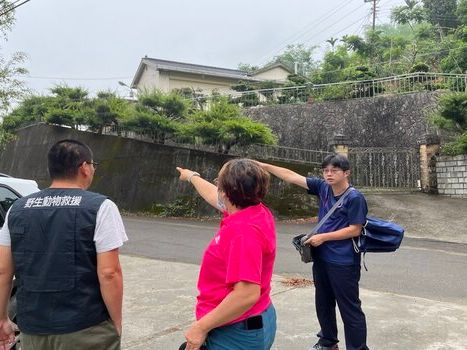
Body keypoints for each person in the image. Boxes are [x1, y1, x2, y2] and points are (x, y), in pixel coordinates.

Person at [0, 139, 128, 350]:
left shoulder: (17, 209)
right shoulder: (101, 207)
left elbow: (3, 270)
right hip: (86, 327)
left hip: (33, 329)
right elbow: (109, 273)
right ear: (85, 168)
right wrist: (116, 323)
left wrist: (2, 318)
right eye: (93, 165)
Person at [257, 154, 369, 350]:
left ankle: (357, 348)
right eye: (326, 170)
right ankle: (328, 342)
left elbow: (355, 229)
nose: (329, 174)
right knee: (323, 303)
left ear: (346, 173)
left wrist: (323, 237)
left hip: (344, 262)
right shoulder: (323, 188)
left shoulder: (354, 197)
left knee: (349, 309)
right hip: (322, 258)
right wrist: (263, 165)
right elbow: (292, 177)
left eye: (334, 170)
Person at [176, 158, 277, 350]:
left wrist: (200, 328)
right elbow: (214, 196)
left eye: (218, 183)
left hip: (235, 330)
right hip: (254, 320)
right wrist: (192, 177)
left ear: (227, 192)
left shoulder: (242, 231)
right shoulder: (255, 211)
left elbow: (246, 294)